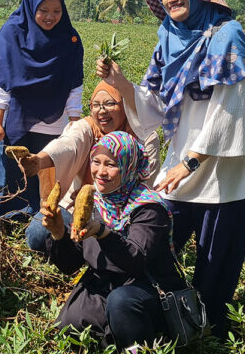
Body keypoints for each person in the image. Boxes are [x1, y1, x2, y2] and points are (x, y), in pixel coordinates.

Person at [96, 0, 245, 338]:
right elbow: (155, 107)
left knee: (217, 250)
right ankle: (163, 308)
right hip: (186, 151)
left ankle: (209, 326)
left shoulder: (229, 36)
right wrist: (122, 83)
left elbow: (230, 110)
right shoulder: (168, 38)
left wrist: (188, 164)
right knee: (161, 236)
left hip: (228, 160)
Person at [42, 131, 183, 349]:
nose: (100, 171)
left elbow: (136, 260)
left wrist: (103, 233)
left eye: (111, 164)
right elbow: (70, 265)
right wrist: (59, 234)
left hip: (146, 287)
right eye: (96, 162)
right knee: (70, 325)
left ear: (128, 166)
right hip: (106, 282)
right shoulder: (93, 203)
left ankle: (143, 344)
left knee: (121, 303)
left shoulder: (148, 208)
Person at [0, 0, 84, 220]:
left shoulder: (70, 39)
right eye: (43, 10)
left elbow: (75, 84)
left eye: (56, 10)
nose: (50, 17)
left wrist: (75, 122)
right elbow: (1, 81)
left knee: (37, 179)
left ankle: (28, 226)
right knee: (1, 175)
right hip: (15, 119)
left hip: (53, 123)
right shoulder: (12, 32)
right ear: (31, 5)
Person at [22, 81, 161, 251]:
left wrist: (92, 199)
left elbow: (146, 181)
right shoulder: (86, 127)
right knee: (37, 237)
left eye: (110, 103)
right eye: (96, 104)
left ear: (125, 105)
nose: (102, 110)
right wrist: (40, 160)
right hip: (74, 204)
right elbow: (67, 145)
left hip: (123, 209)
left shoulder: (144, 136)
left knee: (123, 245)